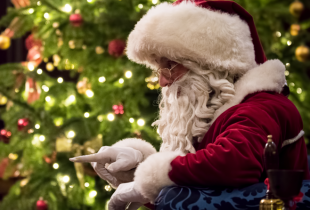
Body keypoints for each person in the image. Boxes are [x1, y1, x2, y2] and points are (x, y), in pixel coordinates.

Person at [70, 0, 310, 209]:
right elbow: (200, 187)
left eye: (170, 66)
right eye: (158, 70)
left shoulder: (261, 106)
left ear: (209, 64)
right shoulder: (215, 109)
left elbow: (234, 163)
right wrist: (137, 167)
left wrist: (152, 179)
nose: (162, 81)